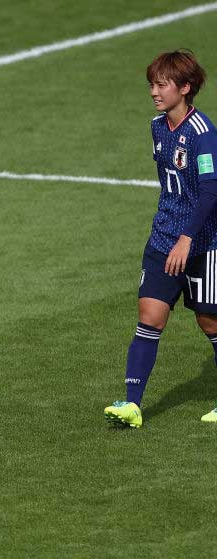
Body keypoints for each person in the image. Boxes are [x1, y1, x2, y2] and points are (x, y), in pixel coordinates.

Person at [104, 49, 217, 428]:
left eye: (162, 84)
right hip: (163, 239)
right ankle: (132, 405)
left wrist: (187, 238)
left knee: (210, 322)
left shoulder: (203, 135)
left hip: (203, 244)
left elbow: (210, 194)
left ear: (185, 88)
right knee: (149, 318)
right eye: (152, 83)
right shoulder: (156, 127)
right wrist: (171, 234)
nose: (154, 91)